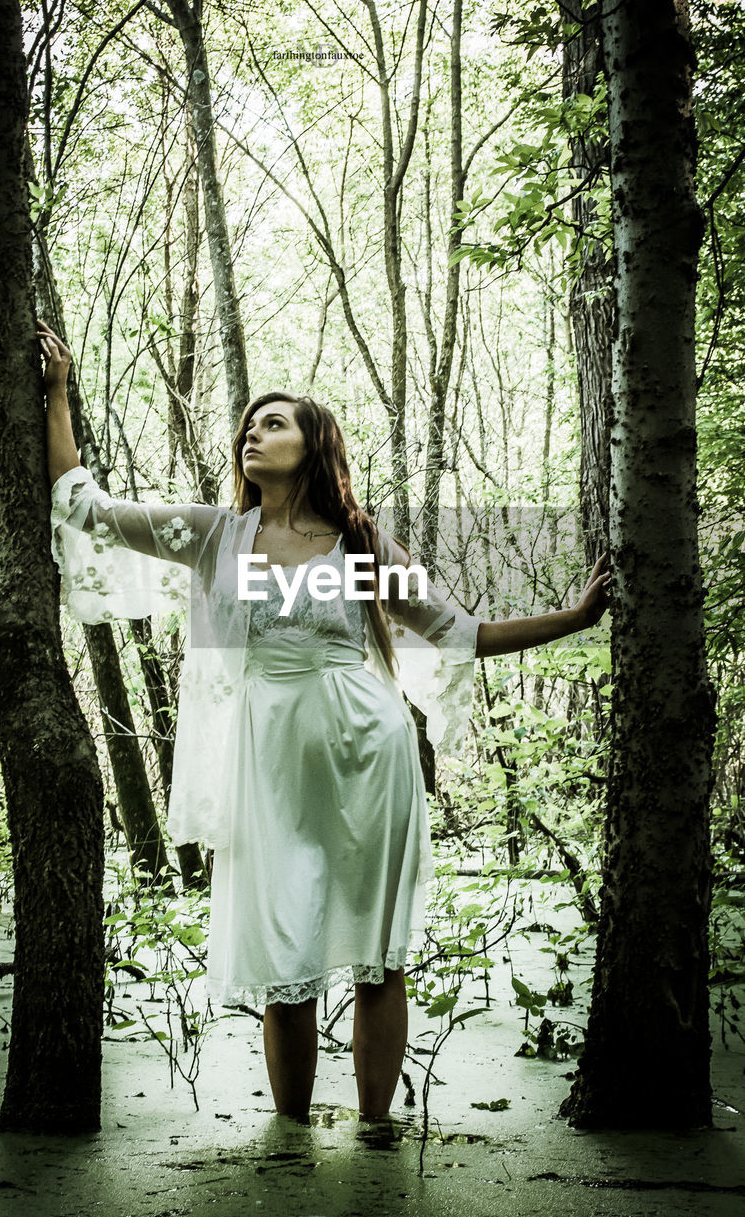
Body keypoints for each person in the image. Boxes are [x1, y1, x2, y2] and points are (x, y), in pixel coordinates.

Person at [40, 319, 610, 1122]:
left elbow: (462, 634)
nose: (252, 432)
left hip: (370, 757)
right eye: (247, 423)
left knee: (378, 958)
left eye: (273, 422)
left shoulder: (360, 543)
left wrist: (574, 619)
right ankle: (290, 1135)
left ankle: (377, 1130)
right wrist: (57, 392)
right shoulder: (216, 536)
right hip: (269, 767)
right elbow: (88, 507)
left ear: (313, 445)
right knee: (286, 956)